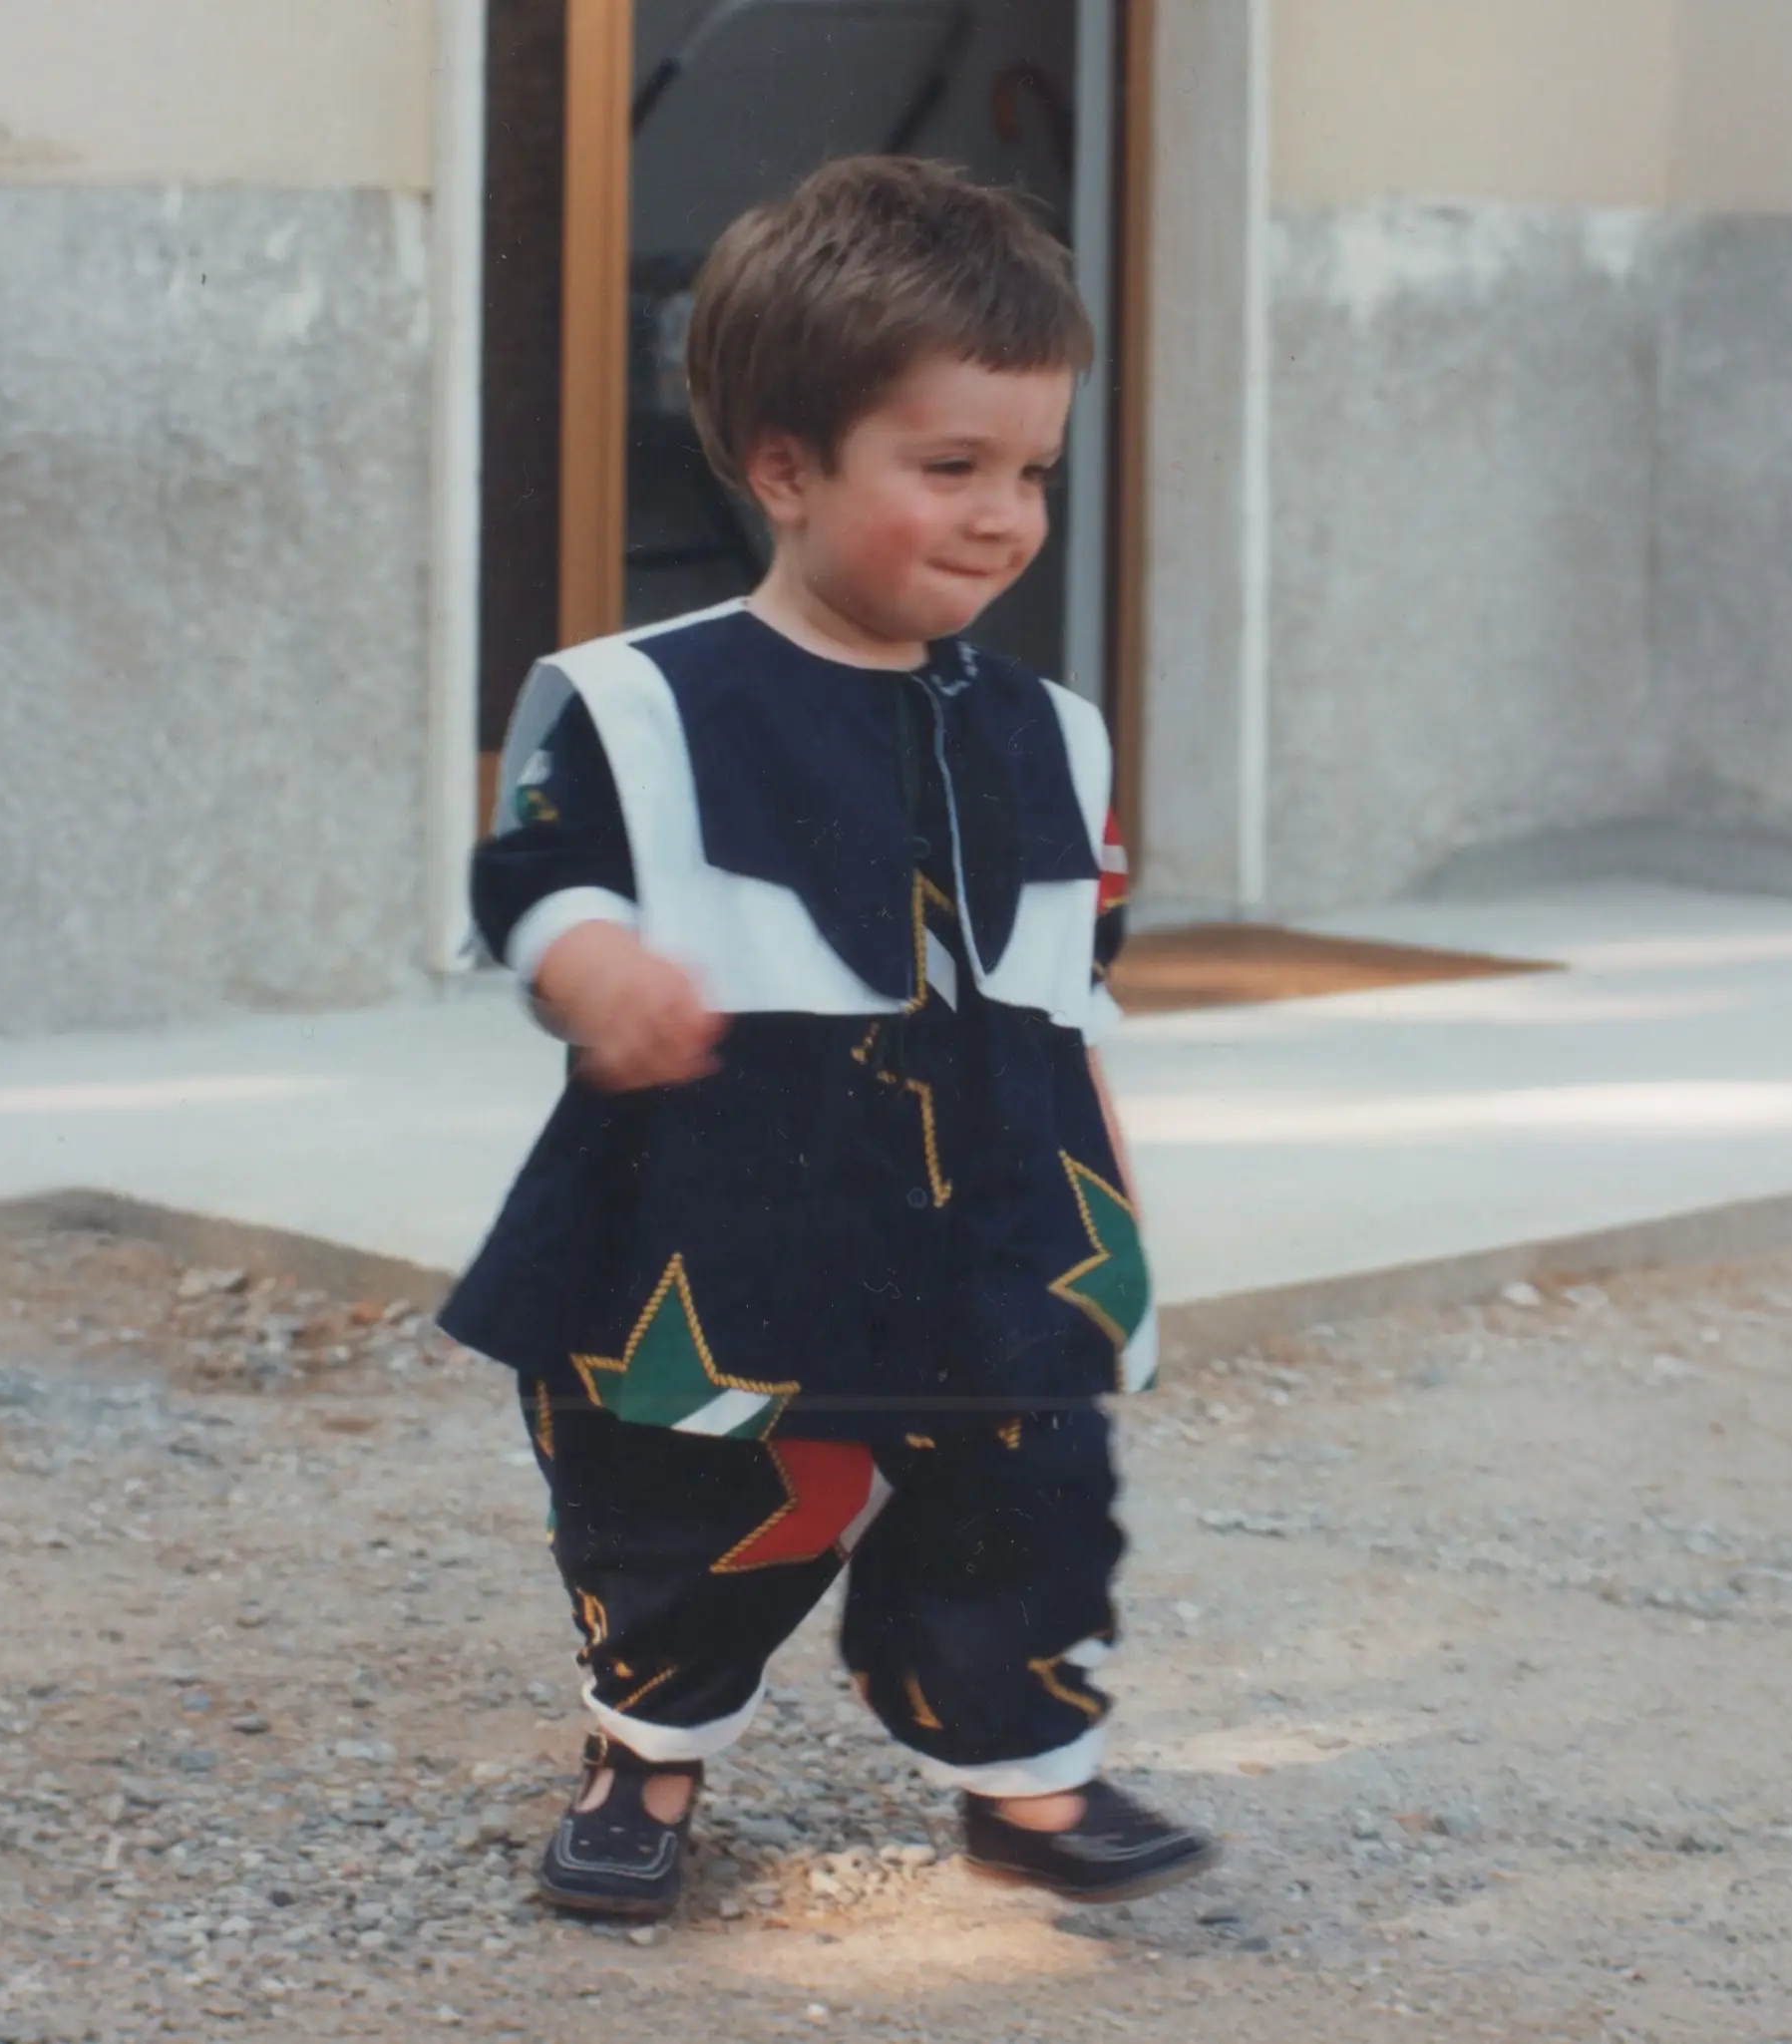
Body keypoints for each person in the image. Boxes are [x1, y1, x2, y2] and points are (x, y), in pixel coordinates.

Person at [441, 155, 1213, 1922]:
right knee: (688, 1503)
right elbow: (533, 873)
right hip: (727, 1195)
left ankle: (1028, 1780)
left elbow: (1069, 983)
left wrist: (1110, 1209)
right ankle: (647, 1749)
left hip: (1001, 1201)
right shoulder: (644, 698)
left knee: (1024, 1496)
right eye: (948, 468)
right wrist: (591, 965)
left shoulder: (1058, 729)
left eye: (1029, 470)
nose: (1003, 514)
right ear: (785, 468)